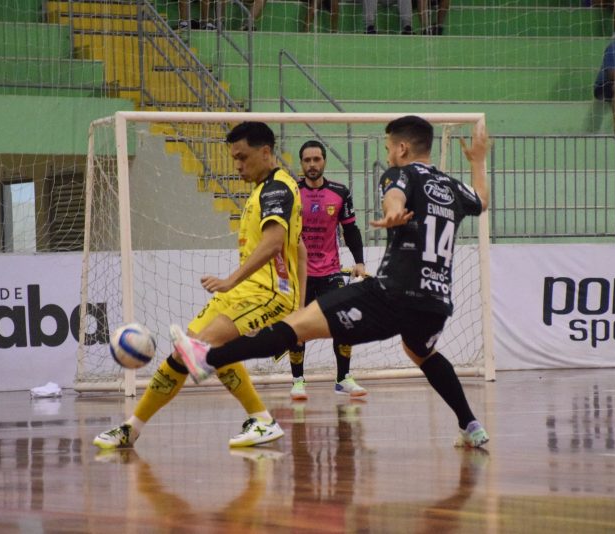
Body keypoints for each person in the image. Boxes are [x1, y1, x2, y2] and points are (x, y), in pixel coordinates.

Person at [173, 115, 492, 449]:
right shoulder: (451, 186)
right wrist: (479, 161)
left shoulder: (401, 173)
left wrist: (394, 209)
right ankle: (470, 424)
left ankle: (206, 358)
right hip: (434, 304)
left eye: (388, 149)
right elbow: (481, 200)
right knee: (421, 353)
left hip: (390, 296)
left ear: (402, 147)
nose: (387, 156)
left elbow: (394, 195)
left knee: (294, 325)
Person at [93, 121, 305, 450]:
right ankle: (132, 428)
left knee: (202, 350)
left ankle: (260, 420)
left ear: (266, 153)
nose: (237, 166)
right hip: (246, 292)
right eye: (234, 158)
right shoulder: (263, 190)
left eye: (243, 157)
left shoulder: (278, 189)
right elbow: (299, 248)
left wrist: (232, 281)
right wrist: (302, 305)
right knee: (188, 349)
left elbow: (276, 242)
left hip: (268, 294)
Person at [287, 140, 368, 400]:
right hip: (299, 274)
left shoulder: (340, 192)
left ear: (324, 161)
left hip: (331, 272)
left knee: (343, 323)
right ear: (301, 164)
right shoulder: (290, 192)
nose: (312, 164)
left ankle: (343, 378)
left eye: (317, 159)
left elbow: (351, 229)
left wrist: (360, 261)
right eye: (307, 160)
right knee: (297, 326)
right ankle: (298, 380)